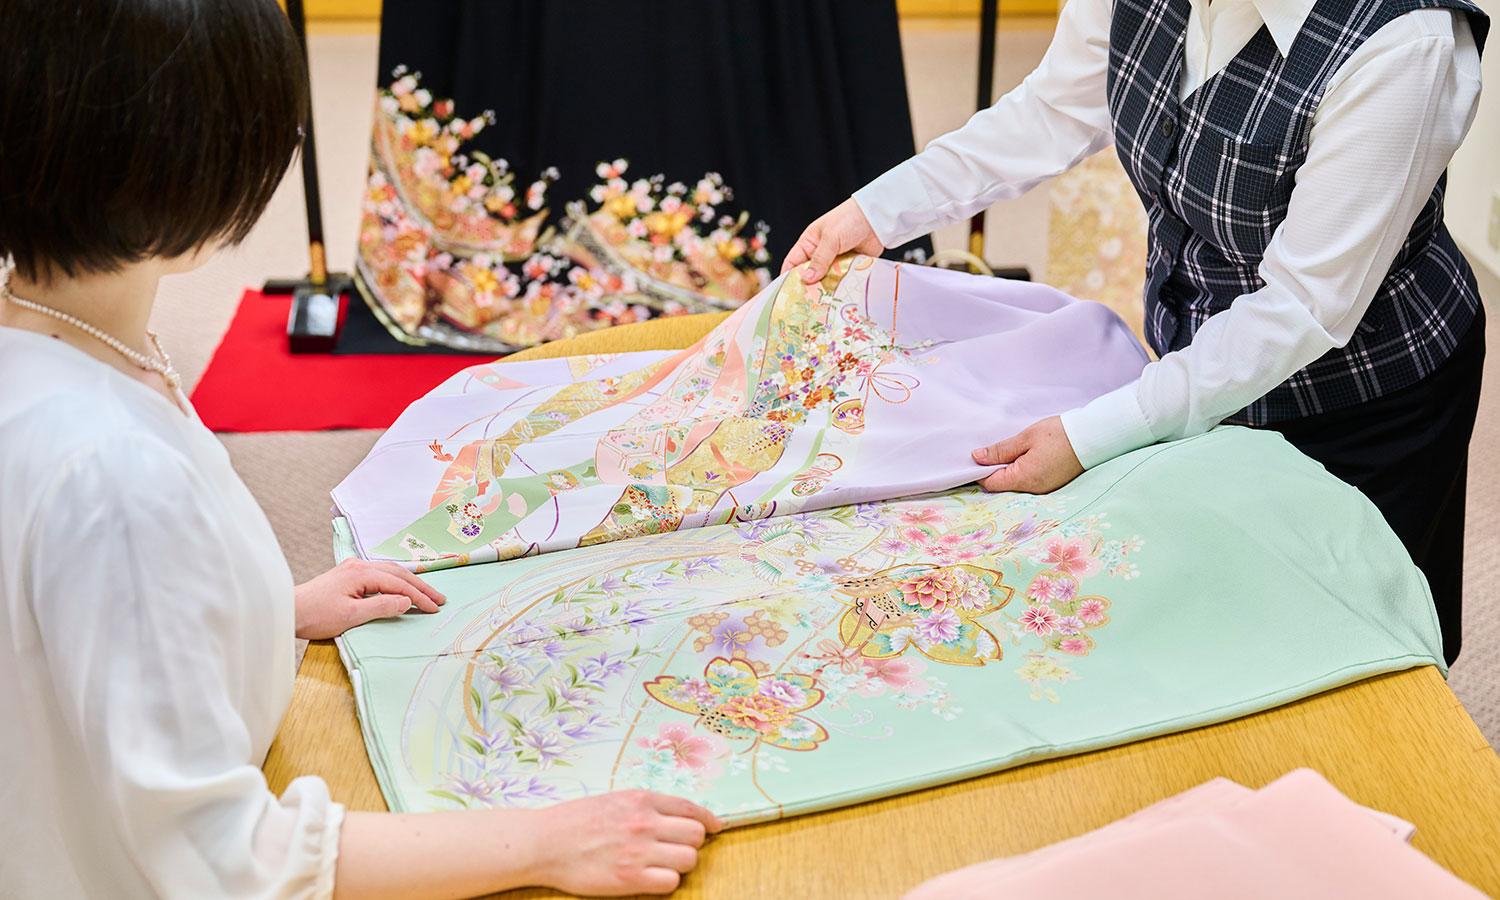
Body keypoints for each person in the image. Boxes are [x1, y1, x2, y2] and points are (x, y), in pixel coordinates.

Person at [0, 2, 718, 898]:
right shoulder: (114, 474)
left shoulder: (56, 338)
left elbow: (85, 621)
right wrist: (546, 844)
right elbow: (228, 856)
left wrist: (272, 609)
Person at [784, 0, 1488, 664]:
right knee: (1216, 626)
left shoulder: (1405, 42)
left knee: (1355, 645)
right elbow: (1053, 111)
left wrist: (1091, 435)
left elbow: (1300, 307)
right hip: (1201, 355)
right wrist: (879, 209)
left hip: (1367, 398)